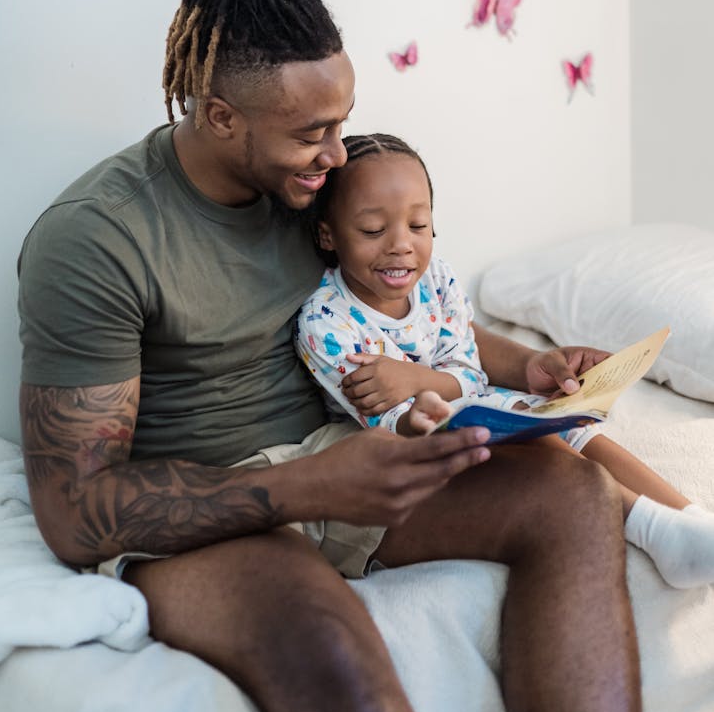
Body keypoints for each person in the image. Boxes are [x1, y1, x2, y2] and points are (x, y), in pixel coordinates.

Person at [19, 0, 641, 712]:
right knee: (341, 664)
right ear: (219, 116)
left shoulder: (319, 192)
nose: (336, 153)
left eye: (340, 122)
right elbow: (75, 512)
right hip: (213, 513)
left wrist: (526, 368)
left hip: (345, 457)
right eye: (312, 132)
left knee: (572, 490)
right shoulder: (97, 238)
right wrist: (311, 486)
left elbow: (416, 313)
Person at [295, 131, 714, 590]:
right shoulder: (326, 322)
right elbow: (391, 423)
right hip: (410, 445)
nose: (401, 245)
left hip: (466, 408)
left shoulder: (436, 280)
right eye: (374, 230)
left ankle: (690, 519)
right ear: (327, 233)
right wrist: (431, 395)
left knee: (573, 426)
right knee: (531, 439)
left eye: (418, 226)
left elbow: (469, 367)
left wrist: (417, 379)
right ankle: (652, 530)